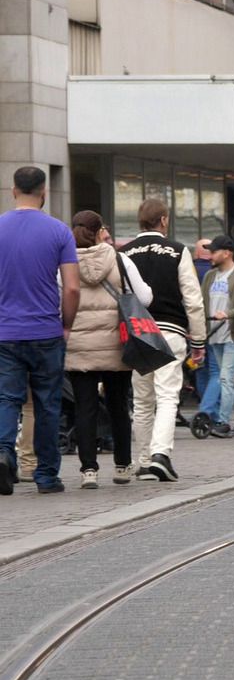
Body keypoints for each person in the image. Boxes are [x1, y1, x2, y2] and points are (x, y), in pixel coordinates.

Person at [0, 167, 80, 494]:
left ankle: (4, 453)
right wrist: (66, 326)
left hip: (5, 331)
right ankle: (46, 476)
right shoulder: (60, 231)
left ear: (13, 189)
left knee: (6, 398)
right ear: (44, 191)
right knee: (48, 404)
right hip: (47, 329)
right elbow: (72, 288)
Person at [64, 211, 153, 487]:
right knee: (117, 405)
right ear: (101, 230)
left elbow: (59, 300)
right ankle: (123, 466)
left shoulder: (65, 262)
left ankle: (88, 470)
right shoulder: (120, 259)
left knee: (85, 408)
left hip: (79, 345)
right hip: (117, 343)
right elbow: (146, 297)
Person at [122, 199, 206, 482]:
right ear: (164, 220)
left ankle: (144, 460)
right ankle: (161, 455)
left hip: (137, 331)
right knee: (168, 395)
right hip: (170, 330)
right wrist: (199, 339)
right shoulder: (177, 250)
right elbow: (192, 299)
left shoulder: (124, 252)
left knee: (142, 400)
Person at [197, 235, 234, 438]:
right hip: (214, 335)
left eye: (213, 251)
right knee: (230, 378)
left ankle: (223, 422)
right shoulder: (210, 276)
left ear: (227, 253)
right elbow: (202, 303)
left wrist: (228, 314)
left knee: (225, 377)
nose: (210, 255)